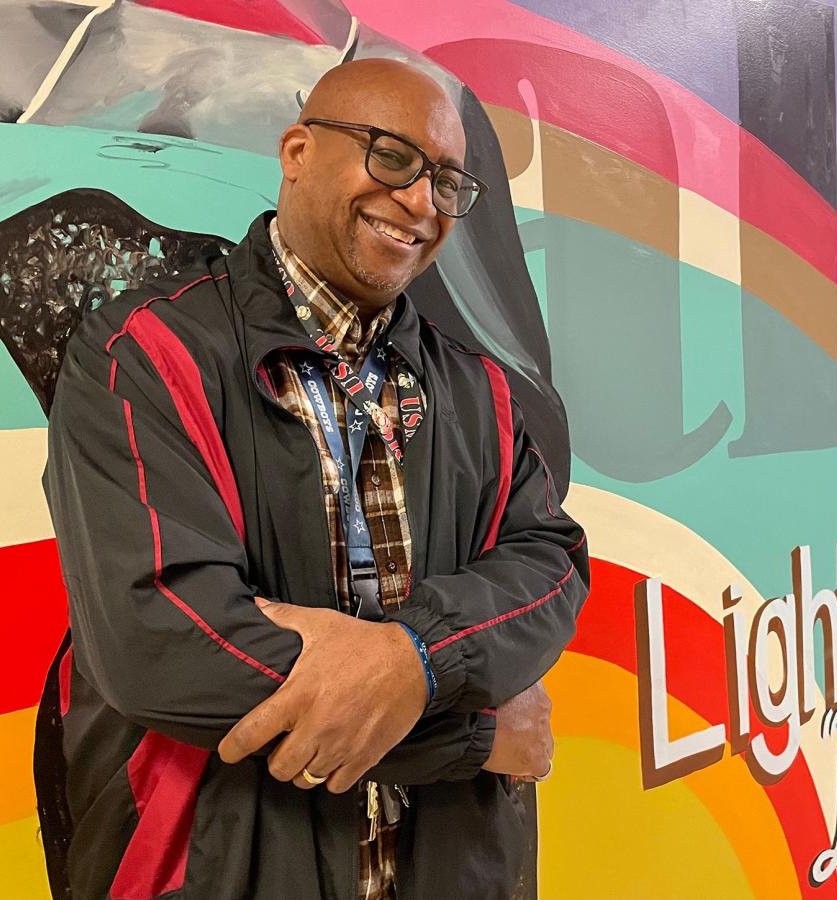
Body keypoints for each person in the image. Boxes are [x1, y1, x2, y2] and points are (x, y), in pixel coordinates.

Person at [41, 58, 589, 900]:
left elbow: (548, 570)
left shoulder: (480, 389)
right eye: (391, 156)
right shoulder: (143, 355)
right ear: (297, 150)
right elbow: (161, 642)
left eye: (445, 181)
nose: (419, 202)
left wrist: (420, 658)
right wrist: (469, 735)